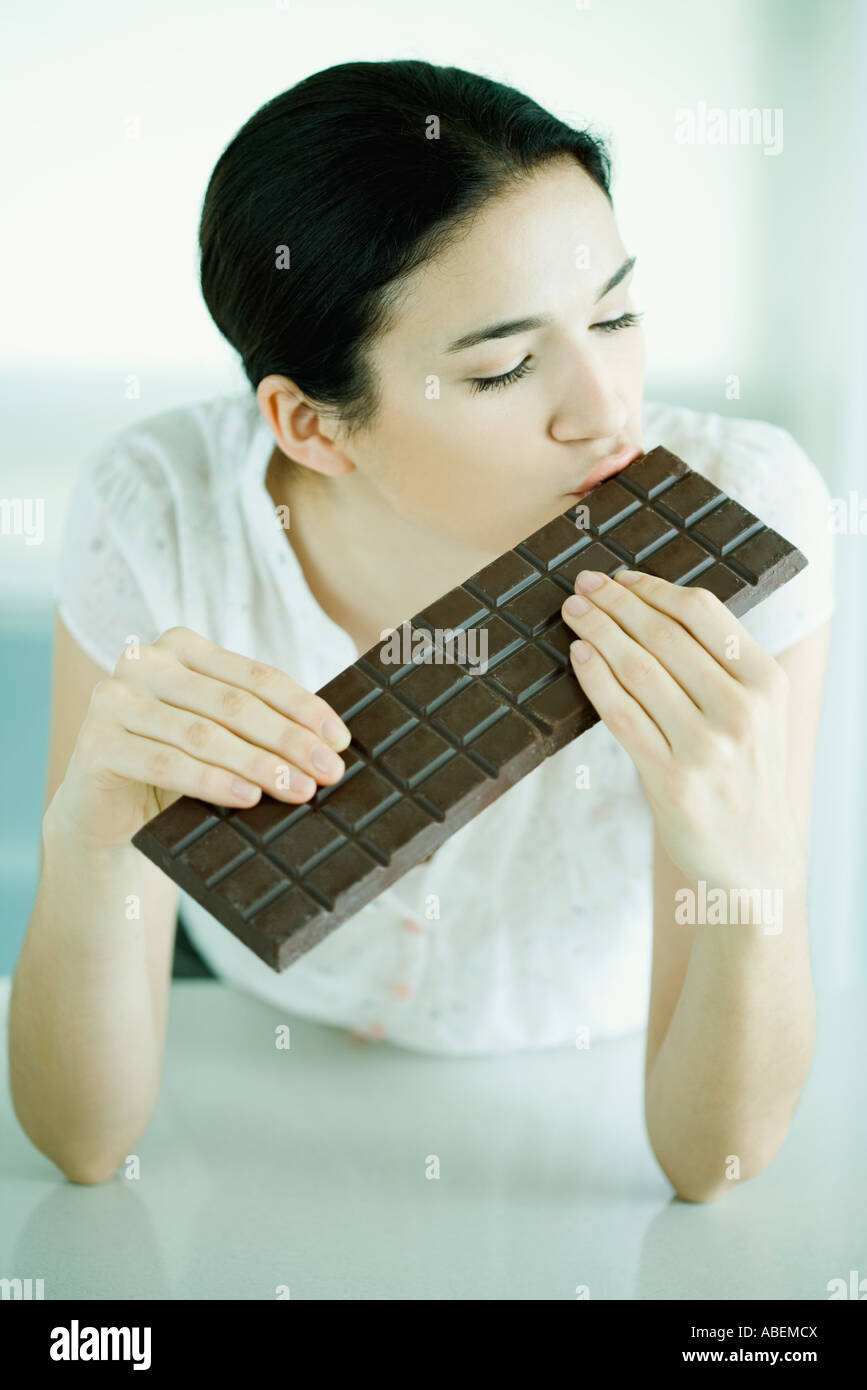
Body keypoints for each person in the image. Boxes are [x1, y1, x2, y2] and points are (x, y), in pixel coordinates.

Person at [9, 60, 834, 1199]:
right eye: (502, 368)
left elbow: (712, 1168)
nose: (607, 409)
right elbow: (81, 1145)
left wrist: (756, 877)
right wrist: (88, 848)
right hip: (263, 1065)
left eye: (619, 314)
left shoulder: (748, 506)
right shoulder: (160, 513)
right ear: (311, 425)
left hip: (585, 1074)